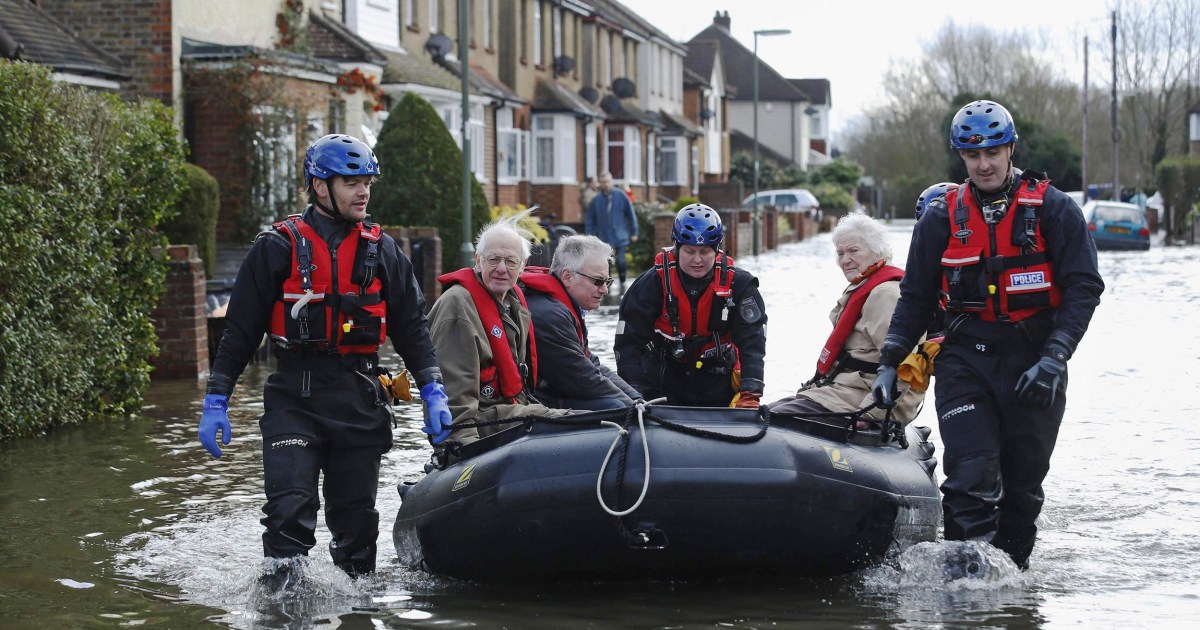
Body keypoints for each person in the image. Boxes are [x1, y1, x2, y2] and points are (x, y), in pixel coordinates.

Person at [196, 133, 452, 582]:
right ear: (319, 185)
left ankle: (357, 604)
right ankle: (281, 603)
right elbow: (239, 333)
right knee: (288, 509)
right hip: (294, 397)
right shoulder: (276, 247)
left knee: (356, 524)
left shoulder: (384, 250)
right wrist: (217, 399)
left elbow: (413, 328)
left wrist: (432, 388)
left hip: (359, 396)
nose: (364, 191)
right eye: (351, 181)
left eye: (368, 181)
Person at [871, 100, 1104, 571]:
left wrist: (1056, 357)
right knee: (968, 480)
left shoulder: (1055, 210)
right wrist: (889, 361)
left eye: (993, 152)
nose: (984, 164)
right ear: (961, 157)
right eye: (973, 156)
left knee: (1022, 488)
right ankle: (965, 591)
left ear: (1010, 148)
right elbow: (914, 298)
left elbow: (1084, 287)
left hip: (1035, 364)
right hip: (965, 360)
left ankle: (1012, 591)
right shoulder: (940, 218)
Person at [427, 210, 568, 445]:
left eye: (510, 261)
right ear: (478, 260)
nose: (502, 268)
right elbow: (456, 403)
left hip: (509, 412)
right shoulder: (457, 308)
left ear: (522, 266)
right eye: (493, 259)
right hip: (481, 424)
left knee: (577, 418)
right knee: (561, 420)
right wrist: (466, 453)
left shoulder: (513, 303)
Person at [770, 214, 924, 426]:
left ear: (878, 251)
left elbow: (905, 363)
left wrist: (871, 415)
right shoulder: (865, 287)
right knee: (758, 416)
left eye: (853, 251)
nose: (844, 260)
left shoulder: (886, 295)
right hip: (841, 391)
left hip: (865, 400)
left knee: (771, 421)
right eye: (840, 253)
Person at [615, 204, 767, 408]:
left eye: (705, 251)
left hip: (718, 378)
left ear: (717, 249)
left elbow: (753, 341)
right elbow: (628, 342)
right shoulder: (651, 284)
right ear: (676, 249)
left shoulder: (739, 285)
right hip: (661, 381)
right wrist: (632, 393)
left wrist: (751, 391)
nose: (697, 260)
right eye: (689, 251)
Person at [520, 234, 642, 410]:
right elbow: (584, 379)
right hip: (535, 401)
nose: (605, 290)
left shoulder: (560, 307)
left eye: (607, 281)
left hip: (548, 393)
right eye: (598, 281)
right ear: (568, 277)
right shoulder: (550, 316)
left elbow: (592, 364)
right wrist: (634, 408)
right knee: (615, 406)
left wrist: (637, 399)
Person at [585, 171, 639, 285]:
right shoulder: (596, 200)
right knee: (606, 263)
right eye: (603, 182)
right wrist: (590, 235)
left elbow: (630, 214)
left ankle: (623, 283)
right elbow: (590, 219)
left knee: (620, 261)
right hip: (603, 236)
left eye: (608, 182)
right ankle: (607, 287)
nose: (606, 184)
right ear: (600, 183)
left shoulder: (621, 195)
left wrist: (634, 231)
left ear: (611, 181)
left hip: (620, 235)